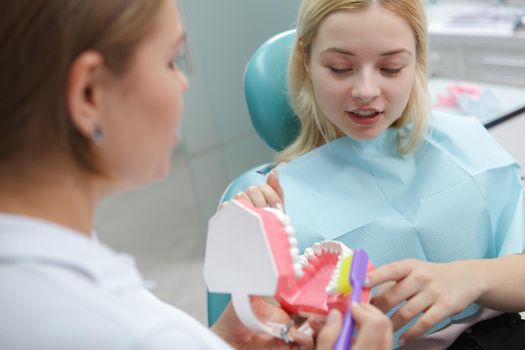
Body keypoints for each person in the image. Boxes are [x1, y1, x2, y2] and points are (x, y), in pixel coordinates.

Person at [0, 0, 393, 349]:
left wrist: (218, 341)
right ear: (89, 93)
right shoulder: (127, 331)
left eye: (392, 66)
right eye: (172, 60)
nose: (183, 83)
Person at [235, 0, 525, 349]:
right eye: (341, 68)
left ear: (417, 61)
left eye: (390, 68)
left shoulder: (466, 144)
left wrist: (473, 276)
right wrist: (247, 243)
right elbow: (257, 334)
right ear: (306, 62)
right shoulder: (268, 200)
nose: (366, 91)